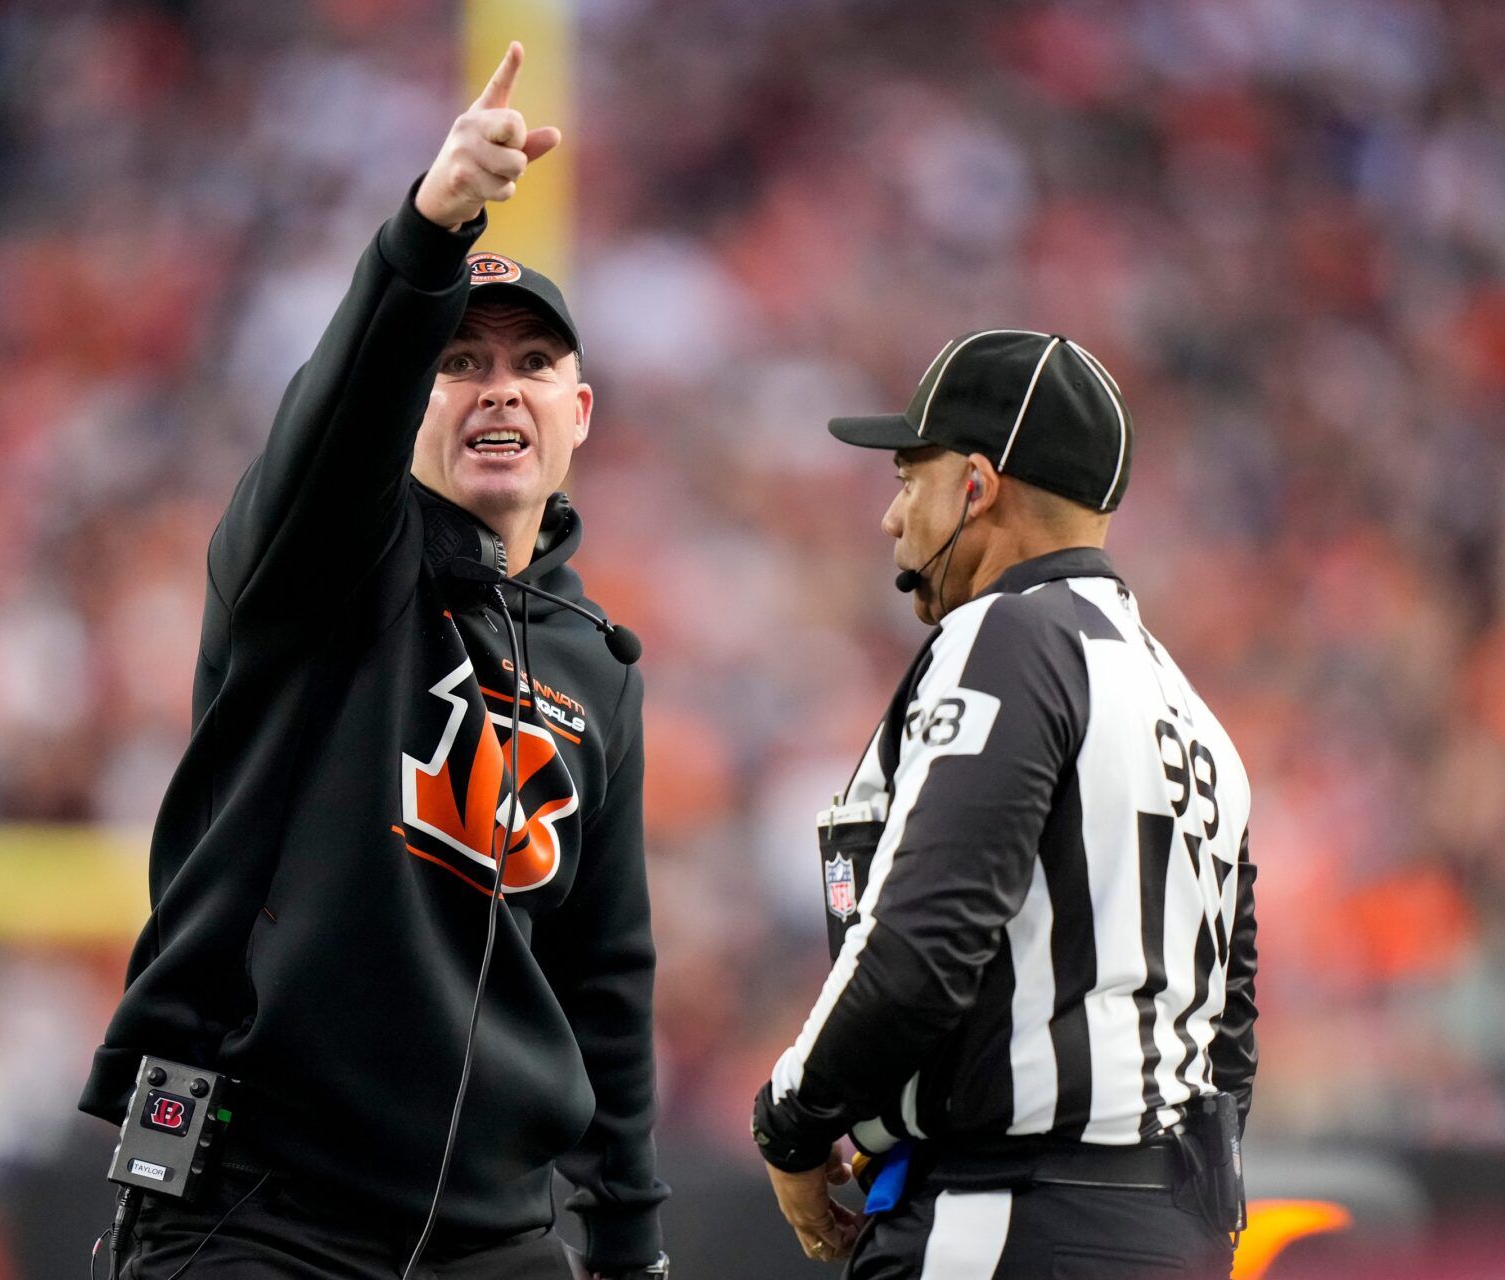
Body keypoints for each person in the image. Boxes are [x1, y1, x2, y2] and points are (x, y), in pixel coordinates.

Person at [79, 44, 669, 1280]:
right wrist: (428, 231)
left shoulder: (597, 667)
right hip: (263, 1207)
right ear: (411, 396)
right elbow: (332, 428)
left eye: (528, 365)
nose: (493, 389)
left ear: (580, 411)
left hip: (491, 1238)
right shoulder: (321, 562)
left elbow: (604, 981)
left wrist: (629, 1246)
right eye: (458, 361)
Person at [751, 331, 1259, 1279]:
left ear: (977, 487)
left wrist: (791, 1120)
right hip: (1167, 1232)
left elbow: (922, 942)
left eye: (911, 479)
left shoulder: (1009, 634)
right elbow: (1229, 1037)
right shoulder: (1196, 715)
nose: (893, 518)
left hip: (1005, 1216)